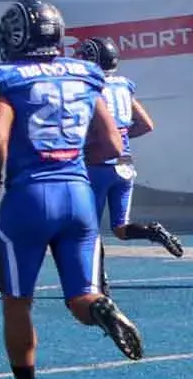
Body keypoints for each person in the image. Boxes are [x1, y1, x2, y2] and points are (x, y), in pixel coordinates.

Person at [0, 0, 142, 379]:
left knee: (17, 302)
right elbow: (109, 144)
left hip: (29, 198)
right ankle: (102, 308)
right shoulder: (85, 74)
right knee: (80, 298)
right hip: (79, 196)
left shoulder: (5, 78)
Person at [77, 37, 184, 290]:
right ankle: (152, 230)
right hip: (124, 164)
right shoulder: (124, 86)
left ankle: (98, 283)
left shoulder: (89, 87)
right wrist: (121, 137)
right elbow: (146, 124)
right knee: (121, 228)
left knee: (89, 229)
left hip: (97, 164)